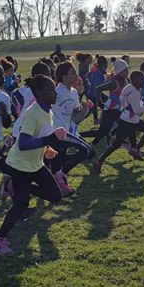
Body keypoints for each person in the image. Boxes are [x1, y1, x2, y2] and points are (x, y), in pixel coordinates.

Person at [0, 75, 66, 256]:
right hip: (21, 166)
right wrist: (50, 139)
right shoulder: (33, 113)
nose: (55, 93)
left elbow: (40, 136)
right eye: (51, 90)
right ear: (39, 93)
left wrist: (47, 148)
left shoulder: (49, 111)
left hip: (36, 164)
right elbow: (23, 143)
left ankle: (16, 188)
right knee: (21, 205)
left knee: (55, 195)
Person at [92, 71, 144, 172]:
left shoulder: (129, 87)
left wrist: (126, 108)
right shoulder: (135, 92)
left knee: (116, 143)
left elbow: (121, 98)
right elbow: (137, 110)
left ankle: (99, 161)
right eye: (141, 79)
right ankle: (135, 149)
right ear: (134, 80)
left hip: (126, 118)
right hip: (130, 120)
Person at [50, 61, 94, 194]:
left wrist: (85, 104)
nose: (76, 75)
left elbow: (77, 115)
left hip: (67, 132)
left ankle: (60, 185)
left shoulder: (74, 92)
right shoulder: (55, 92)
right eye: (73, 72)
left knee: (59, 162)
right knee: (84, 150)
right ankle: (59, 178)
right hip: (55, 133)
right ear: (63, 77)